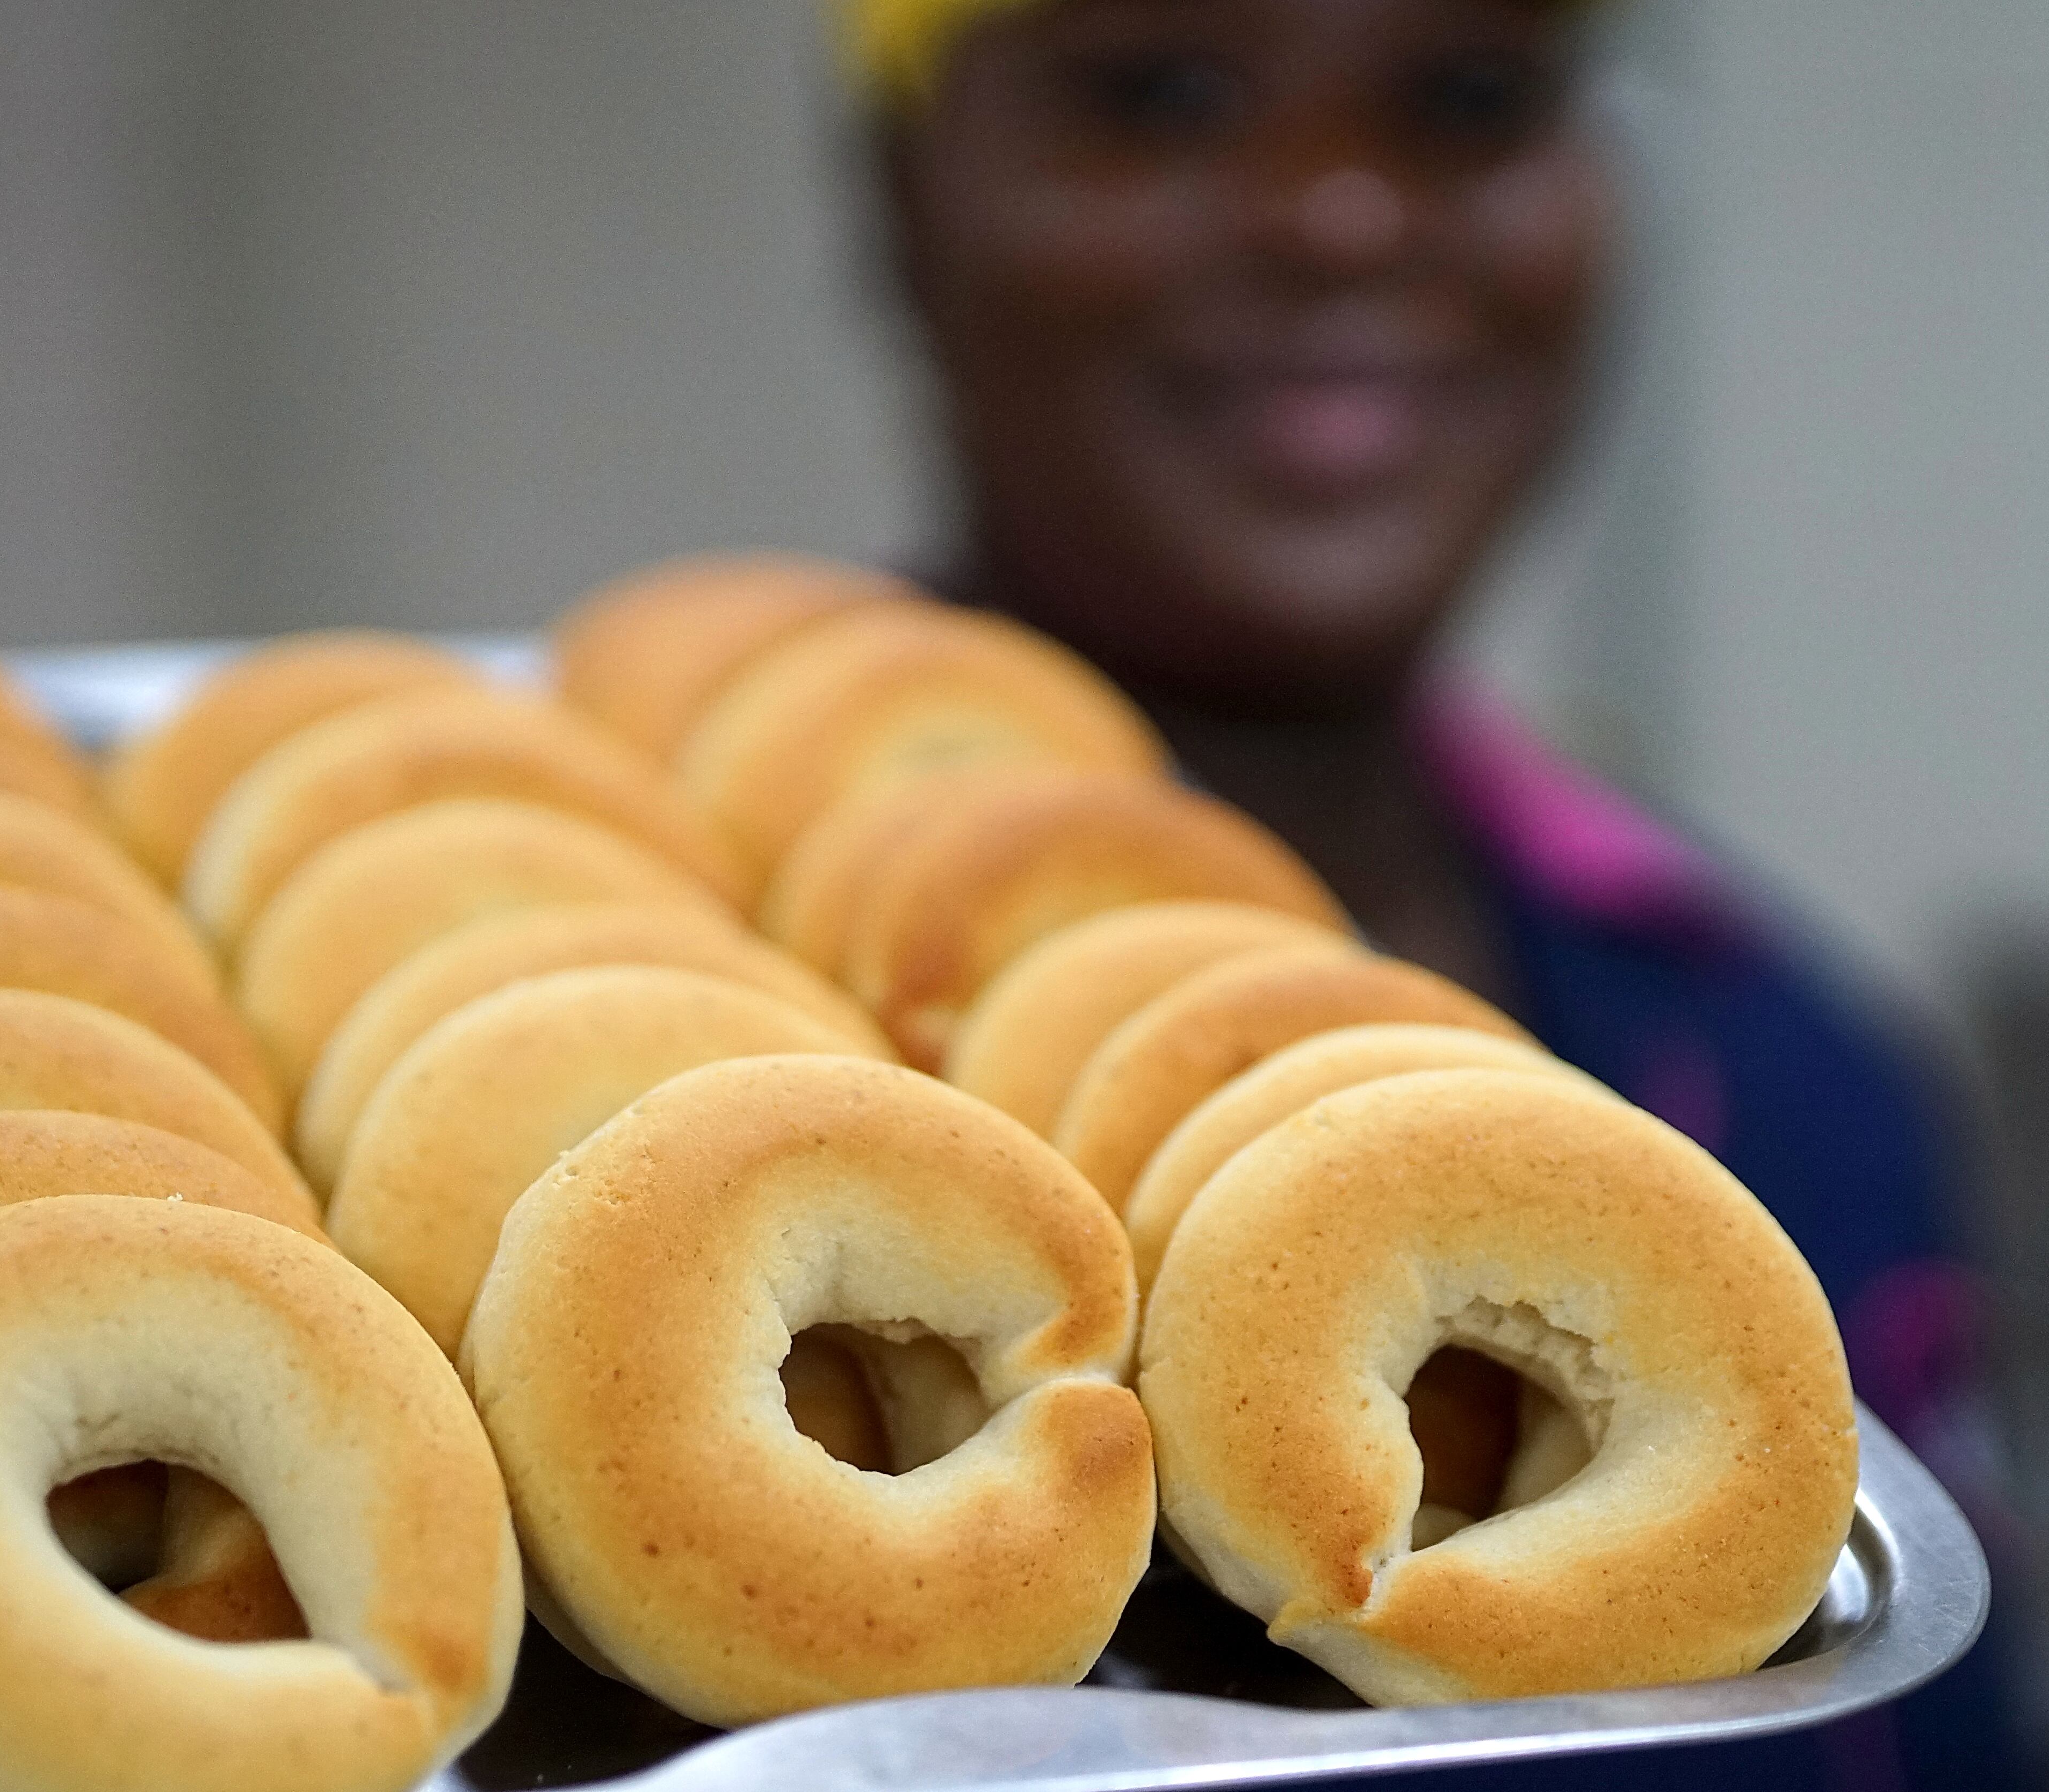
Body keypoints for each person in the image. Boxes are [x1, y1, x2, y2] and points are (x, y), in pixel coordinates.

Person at [842, 0, 2027, 1783]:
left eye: (1472, 97)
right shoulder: (723, 1091)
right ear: (901, 203)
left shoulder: (1797, 1077)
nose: (1342, 216)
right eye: (1160, 91)